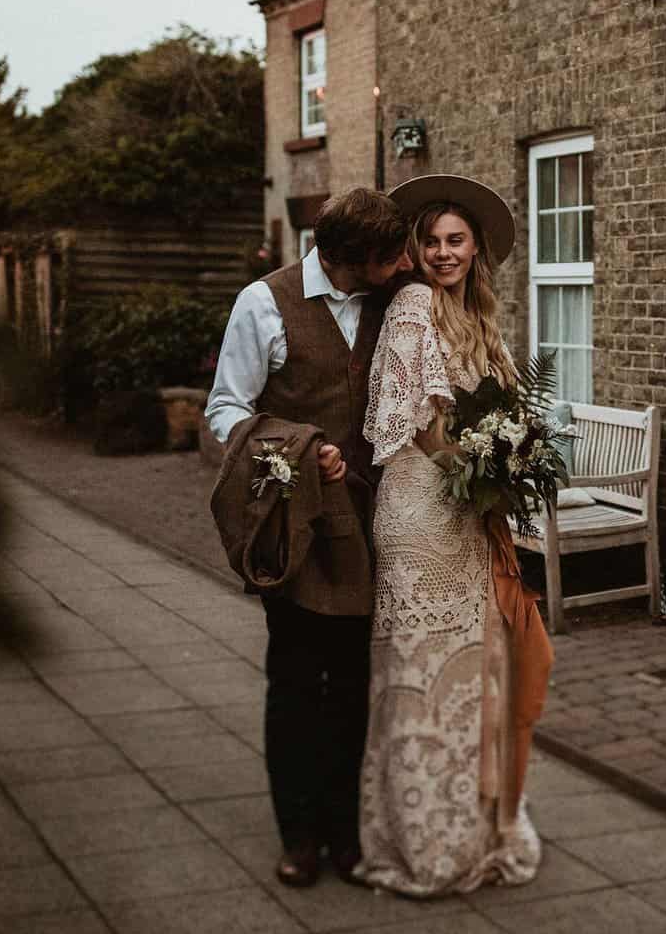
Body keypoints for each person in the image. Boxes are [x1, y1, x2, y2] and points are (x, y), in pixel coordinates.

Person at [203, 188, 412, 888]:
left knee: (353, 686)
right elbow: (226, 410)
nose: (405, 264)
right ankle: (299, 836)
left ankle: (345, 834)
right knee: (295, 682)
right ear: (353, 261)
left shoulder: (394, 300)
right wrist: (296, 448)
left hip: (375, 526)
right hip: (295, 527)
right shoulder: (263, 303)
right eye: (392, 256)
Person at [358, 174, 547, 896]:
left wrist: (511, 460)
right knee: (419, 683)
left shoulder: (480, 317)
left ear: (476, 250)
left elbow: (494, 414)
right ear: (417, 248)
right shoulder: (411, 307)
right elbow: (429, 427)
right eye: (431, 241)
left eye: (455, 240)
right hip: (420, 514)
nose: (442, 253)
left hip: (468, 515)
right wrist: (491, 463)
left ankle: (470, 831)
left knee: (472, 681)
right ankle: (421, 840)